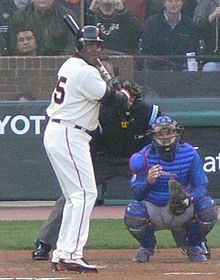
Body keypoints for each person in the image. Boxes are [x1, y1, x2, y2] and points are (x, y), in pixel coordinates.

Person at [32, 61, 161, 261]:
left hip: (136, 160)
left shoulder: (145, 108)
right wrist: (118, 97)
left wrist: (127, 98)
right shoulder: (95, 105)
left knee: (163, 184)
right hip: (104, 159)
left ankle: (192, 241)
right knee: (75, 193)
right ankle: (44, 243)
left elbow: (161, 131)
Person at [43, 23, 141, 273]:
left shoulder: (73, 65)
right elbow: (114, 101)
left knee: (77, 197)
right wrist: (124, 94)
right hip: (69, 132)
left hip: (65, 132)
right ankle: (71, 254)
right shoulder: (84, 72)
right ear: (80, 46)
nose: (95, 49)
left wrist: (115, 88)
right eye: (89, 45)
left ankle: (63, 252)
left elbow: (106, 92)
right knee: (85, 194)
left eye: (98, 45)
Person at [124, 115, 218, 263]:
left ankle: (193, 244)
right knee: (133, 212)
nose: (166, 137)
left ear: (177, 133)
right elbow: (137, 194)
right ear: (153, 136)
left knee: (208, 207)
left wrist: (189, 198)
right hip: (154, 206)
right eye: (161, 133)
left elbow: (201, 187)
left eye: (169, 132)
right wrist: (148, 182)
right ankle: (147, 246)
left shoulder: (190, 153)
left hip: (181, 208)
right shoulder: (142, 157)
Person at [7, 0, 77, 56]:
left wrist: (56, 61)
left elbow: (72, 44)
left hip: (60, 65)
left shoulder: (67, 16)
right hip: (27, 65)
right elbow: (12, 46)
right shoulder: (19, 17)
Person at [193, 0, 220, 71]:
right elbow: (195, 29)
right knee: (209, 68)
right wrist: (213, 15)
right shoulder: (205, 3)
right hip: (214, 58)